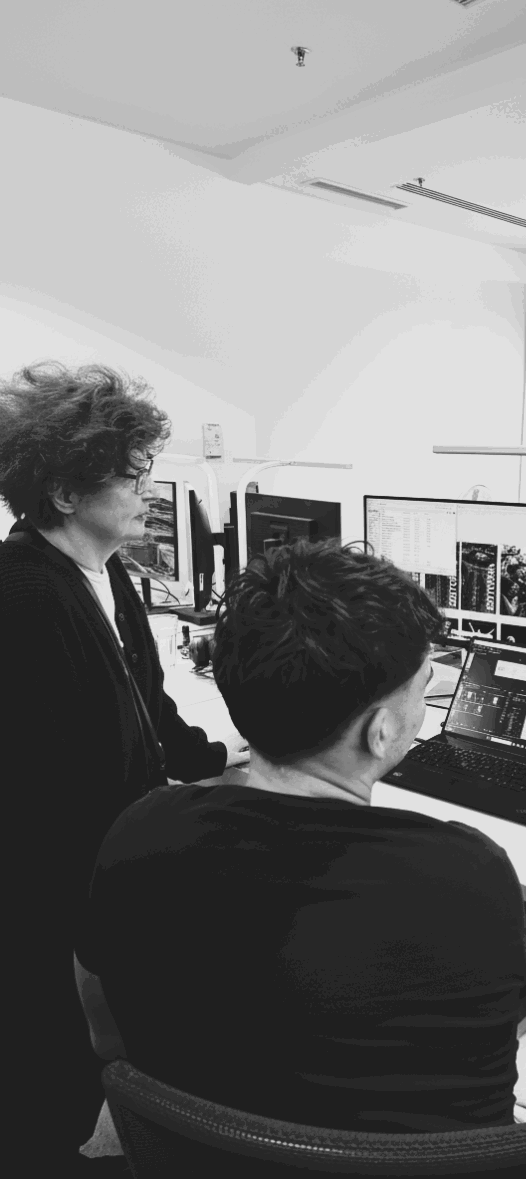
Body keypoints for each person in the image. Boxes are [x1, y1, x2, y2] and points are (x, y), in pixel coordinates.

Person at [74, 540, 526, 1147]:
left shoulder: (140, 833)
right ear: (380, 732)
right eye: (424, 688)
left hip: (195, 1150)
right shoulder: (469, 873)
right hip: (417, 1163)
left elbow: (105, 1036)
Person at [0, 361, 248, 1171]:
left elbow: (149, 703)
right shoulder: (24, 597)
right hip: (51, 903)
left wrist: (219, 754)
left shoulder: (105, 572)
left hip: (104, 869)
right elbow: (58, 790)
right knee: (51, 1092)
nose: (149, 492)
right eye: (133, 477)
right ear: (64, 492)